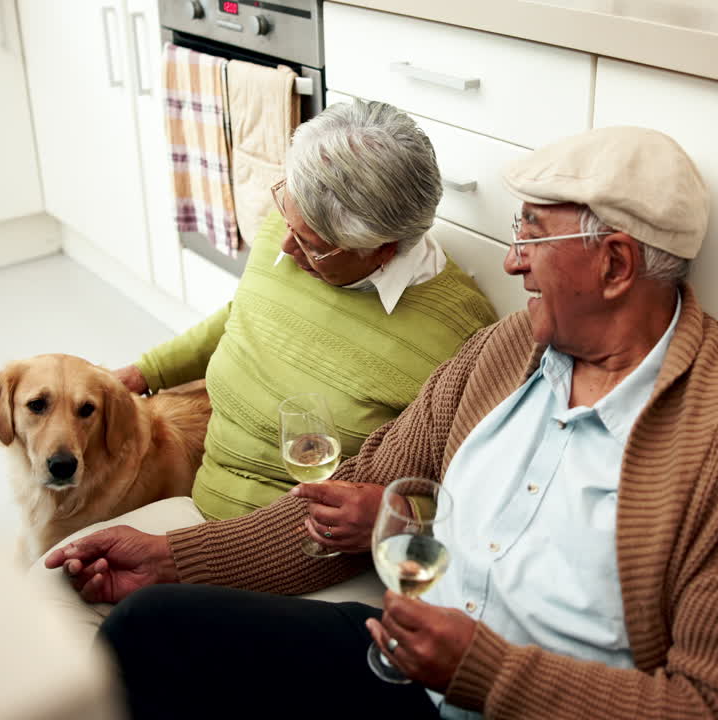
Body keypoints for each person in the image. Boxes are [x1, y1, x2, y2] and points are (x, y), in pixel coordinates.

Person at [72, 126, 718, 720]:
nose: (512, 262)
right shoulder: (505, 352)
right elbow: (360, 496)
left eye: (533, 235)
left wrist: (487, 674)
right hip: (403, 668)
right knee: (148, 631)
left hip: (526, 702)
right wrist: (174, 557)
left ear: (616, 265)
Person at [30, 99, 498, 639]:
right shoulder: (292, 229)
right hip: (199, 514)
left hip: (307, 561)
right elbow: (244, 313)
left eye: (314, 247)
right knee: (43, 603)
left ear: (383, 250)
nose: (286, 246)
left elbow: (461, 493)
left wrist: (394, 510)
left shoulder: (457, 337)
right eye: (288, 217)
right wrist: (144, 372)